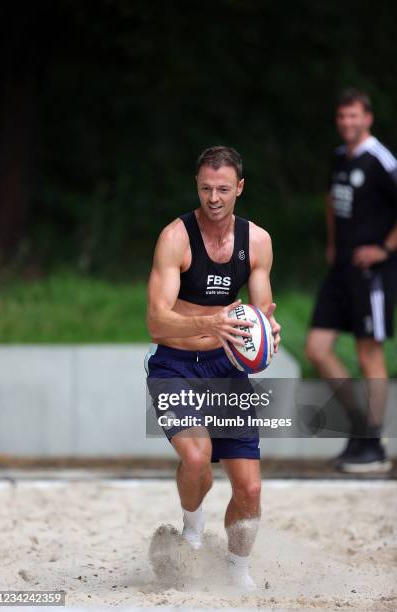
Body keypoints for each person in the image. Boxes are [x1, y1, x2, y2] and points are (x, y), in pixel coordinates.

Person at [145, 145, 281, 589]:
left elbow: (260, 311)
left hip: (225, 367)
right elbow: (155, 320)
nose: (214, 198)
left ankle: (238, 571)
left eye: (223, 189)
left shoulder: (256, 241)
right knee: (197, 456)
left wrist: (268, 332)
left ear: (239, 187)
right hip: (176, 363)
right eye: (206, 188)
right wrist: (210, 321)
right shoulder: (176, 237)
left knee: (251, 489)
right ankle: (192, 526)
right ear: (197, 186)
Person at [305, 88, 397, 473]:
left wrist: (385, 249)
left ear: (368, 118)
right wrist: (332, 244)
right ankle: (360, 428)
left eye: (354, 116)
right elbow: (331, 201)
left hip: (371, 272)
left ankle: (374, 445)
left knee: (368, 355)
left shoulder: (381, 160)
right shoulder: (340, 157)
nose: (347, 123)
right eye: (342, 116)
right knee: (317, 347)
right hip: (340, 269)